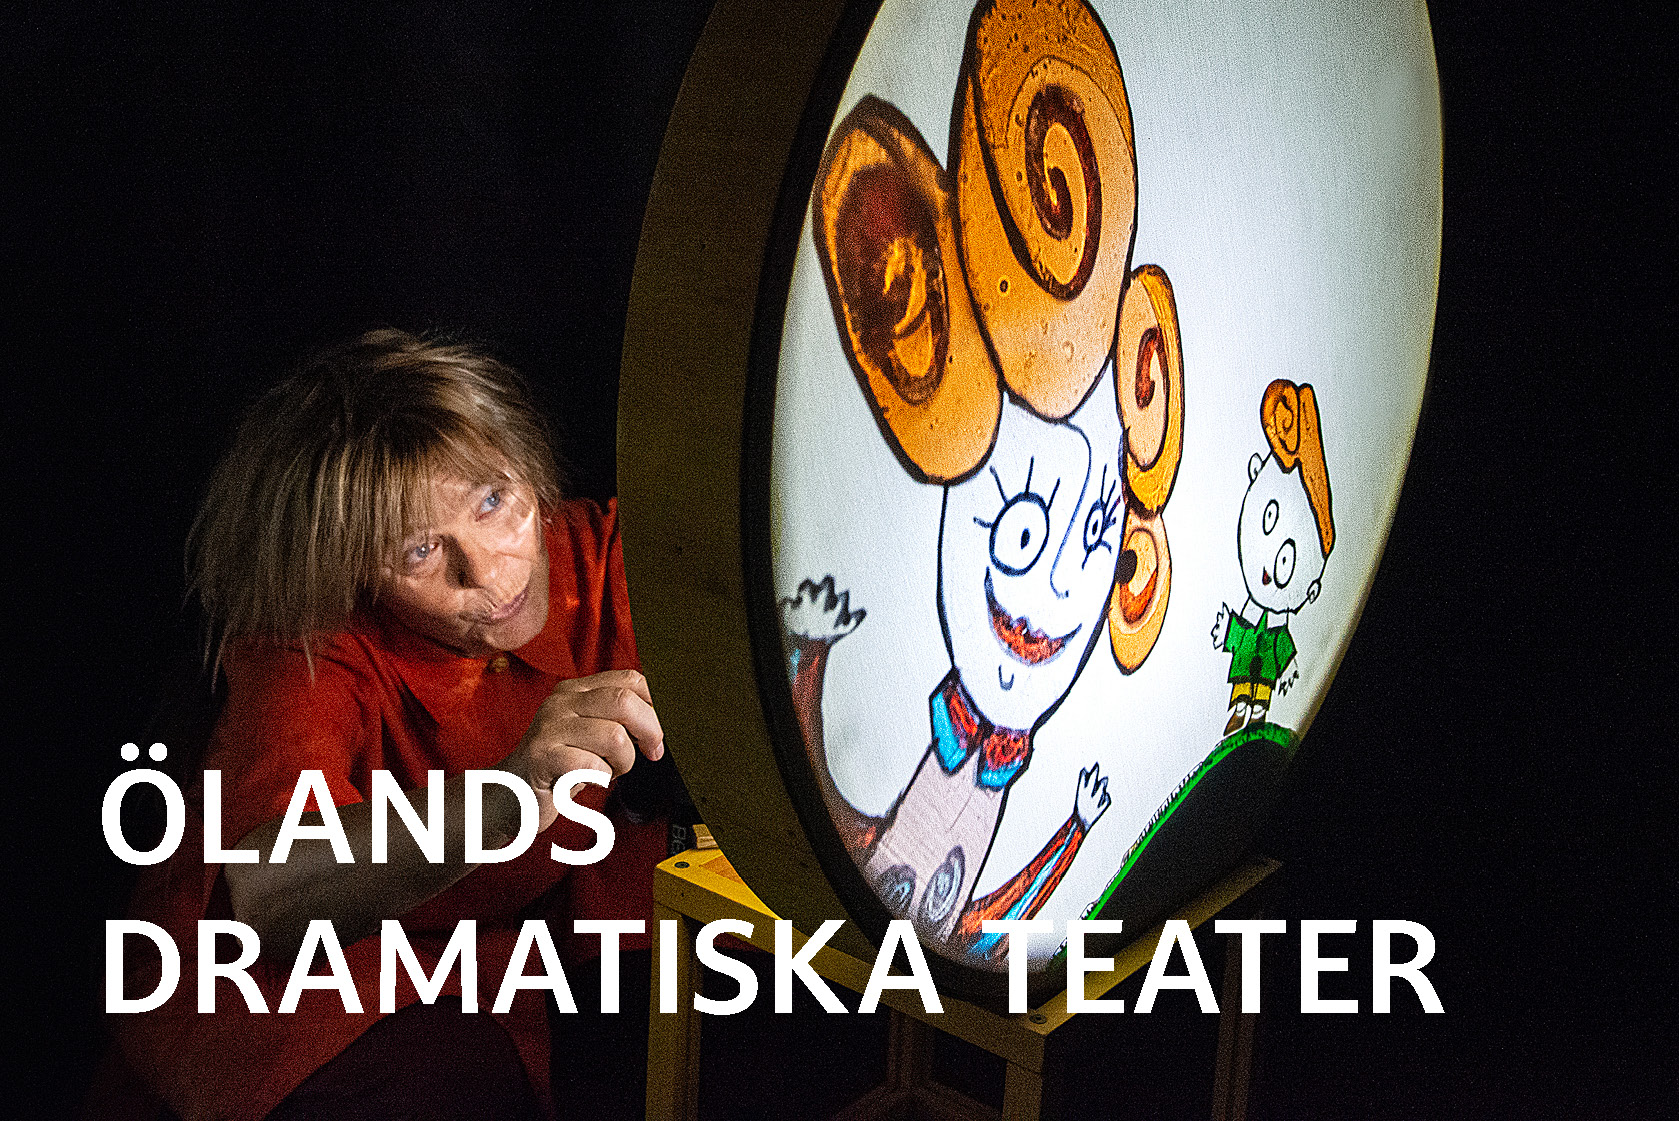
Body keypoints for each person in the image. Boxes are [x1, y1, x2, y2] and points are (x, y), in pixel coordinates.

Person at [104, 329, 672, 1120]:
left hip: (483, 963)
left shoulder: (615, 558)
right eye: (418, 551)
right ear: (354, 566)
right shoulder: (312, 641)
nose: (488, 569)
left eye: (493, 501)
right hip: (277, 986)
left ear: (530, 467)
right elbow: (267, 893)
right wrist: (505, 795)